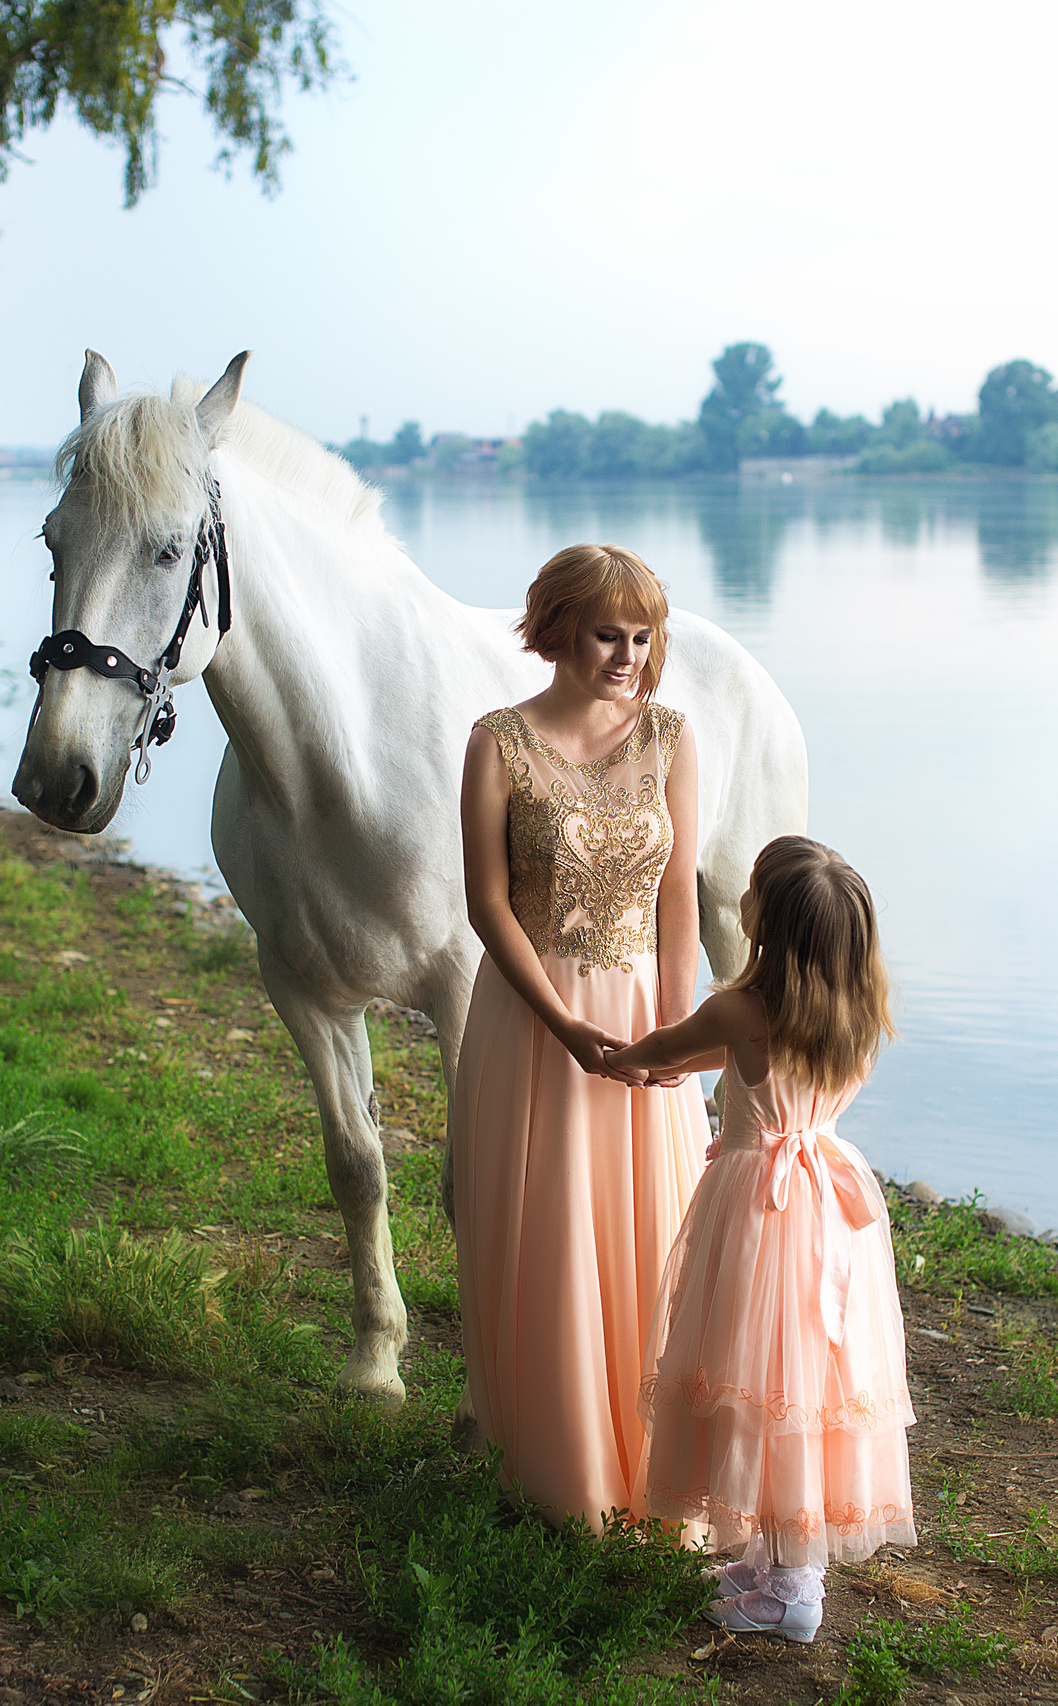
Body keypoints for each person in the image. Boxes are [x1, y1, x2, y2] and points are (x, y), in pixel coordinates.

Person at [450, 542, 713, 1531]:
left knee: (658, 1242)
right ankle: (564, 1475)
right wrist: (561, 1024)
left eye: (643, 636)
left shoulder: (671, 737)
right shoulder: (497, 742)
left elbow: (678, 892)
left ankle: (662, 1465)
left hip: (645, 1013)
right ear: (556, 627)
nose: (628, 654)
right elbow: (485, 906)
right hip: (534, 1020)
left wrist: (680, 1029)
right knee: (553, 1235)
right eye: (609, 632)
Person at [603, 835, 915, 1642]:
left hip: (759, 1214)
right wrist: (688, 1064)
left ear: (767, 922)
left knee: (753, 1372)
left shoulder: (740, 1007)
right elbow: (747, 1059)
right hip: (828, 1219)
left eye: (751, 889)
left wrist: (624, 1058)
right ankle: (773, 1558)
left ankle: (792, 1591)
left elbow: (665, 1050)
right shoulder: (855, 1013)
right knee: (805, 1386)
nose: (740, 897)